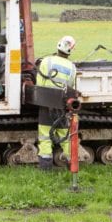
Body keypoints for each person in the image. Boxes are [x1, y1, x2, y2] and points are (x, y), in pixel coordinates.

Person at [35, 35, 77, 171]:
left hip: (46, 104)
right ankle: (72, 164)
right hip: (62, 105)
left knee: (45, 135)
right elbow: (70, 86)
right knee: (65, 136)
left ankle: (46, 167)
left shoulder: (46, 61)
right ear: (71, 50)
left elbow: (39, 84)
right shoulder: (72, 67)